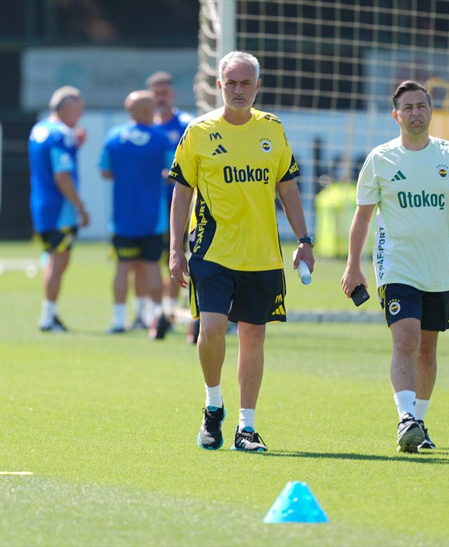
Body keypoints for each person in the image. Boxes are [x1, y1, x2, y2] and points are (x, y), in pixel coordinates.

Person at [341, 80, 449, 453]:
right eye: (408, 107)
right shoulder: (380, 159)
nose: (416, 112)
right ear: (396, 115)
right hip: (397, 266)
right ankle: (406, 420)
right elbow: (363, 218)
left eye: (422, 106)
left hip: (439, 269)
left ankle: (420, 421)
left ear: (431, 112)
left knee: (427, 349)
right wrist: (353, 265)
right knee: (407, 340)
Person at [168, 51, 315, 453]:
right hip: (211, 251)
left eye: (245, 83)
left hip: (262, 254)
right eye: (230, 83)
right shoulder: (198, 132)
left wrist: (305, 240)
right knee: (211, 329)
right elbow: (181, 191)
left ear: (257, 87)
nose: (237, 90)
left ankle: (246, 428)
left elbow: (288, 187)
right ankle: (213, 406)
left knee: (253, 337)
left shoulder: (273, 129)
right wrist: (176, 249)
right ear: (218, 85)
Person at [100, 90, 174, 339]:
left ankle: (119, 320)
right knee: (152, 266)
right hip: (153, 216)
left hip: (123, 217)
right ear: (144, 111)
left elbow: (106, 172)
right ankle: (156, 317)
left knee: (123, 267)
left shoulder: (113, 137)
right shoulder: (160, 138)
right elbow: (173, 171)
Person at [28, 86, 90, 332]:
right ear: (66, 107)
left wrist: (76, 147)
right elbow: (62, 176)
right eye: (78, 109)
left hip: (41, 206)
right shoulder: (61, 134)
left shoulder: (39, 130)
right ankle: (48, 317)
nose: (80, 114)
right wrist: (81, 207)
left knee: (54, 262)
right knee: (58, 263)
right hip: (60, 210)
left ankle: (48, 315)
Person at [146, 71, 195, 334]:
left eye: (165, 93)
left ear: (173, 94)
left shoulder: (187, 124)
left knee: (187, 256)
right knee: (152, 259)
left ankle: (196, 316)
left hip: (182, 204)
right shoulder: (145, 126)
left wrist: (172, 175)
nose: (161, 98)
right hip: (151, 205)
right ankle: (160, 313)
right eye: (157, 94)